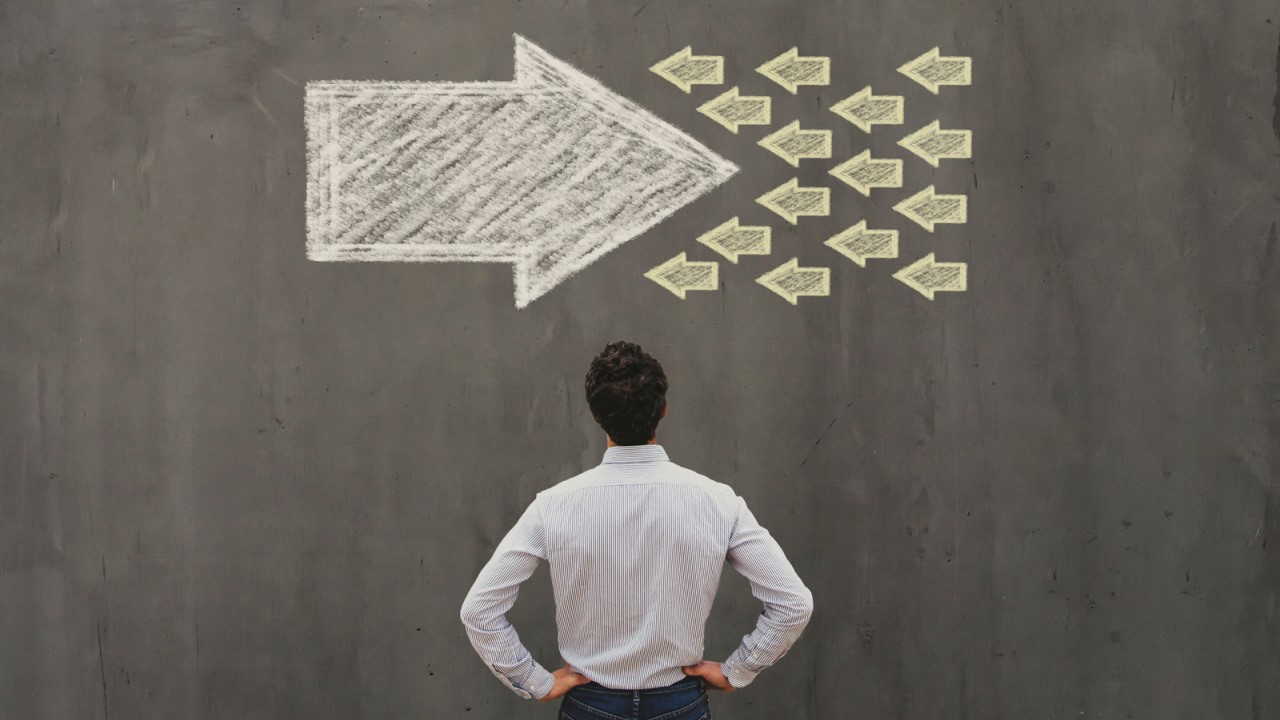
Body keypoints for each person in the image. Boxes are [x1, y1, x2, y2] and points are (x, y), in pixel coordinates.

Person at [460, 341, 814, 719]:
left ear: (596, 414)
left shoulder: (553, 505)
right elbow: (793, 605)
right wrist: (737, 671)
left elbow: (479, 611)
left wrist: (535, 681)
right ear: (663, 409)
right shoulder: (717, 500)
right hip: (680, 703)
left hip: (590, 705)